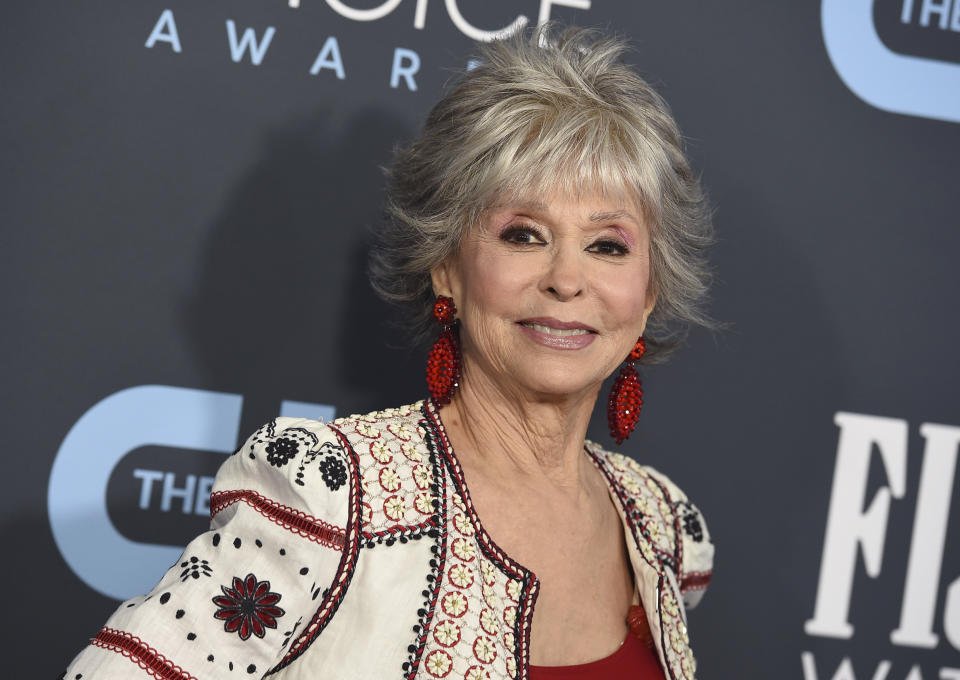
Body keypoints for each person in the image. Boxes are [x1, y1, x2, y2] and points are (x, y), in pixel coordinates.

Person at [64, 25, 714, 680]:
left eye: (608, 245)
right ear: (447, 268)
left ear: (649, 292)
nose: (567, 279)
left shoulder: (662, 528)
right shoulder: (331, 497)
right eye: (524, 234)